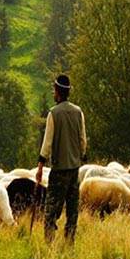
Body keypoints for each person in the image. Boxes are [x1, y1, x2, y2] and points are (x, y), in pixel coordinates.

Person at [36, 74, 87, 244]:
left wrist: (40, 164)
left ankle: (49, 244)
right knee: (72, 212)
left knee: (51, 211)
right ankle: (69, 245)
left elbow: (47, 142)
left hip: (58, 171)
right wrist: (80, 156)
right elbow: (82, 140)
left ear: (58, 92)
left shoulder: (53, 113)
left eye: (54, 90)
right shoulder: (78, 112)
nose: (53, 92)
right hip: (74, 170)